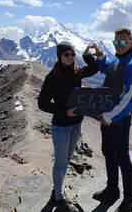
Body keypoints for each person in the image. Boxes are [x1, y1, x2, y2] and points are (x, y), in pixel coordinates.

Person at [38, 41, 99, 212]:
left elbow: (94, 69)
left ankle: (57, 189)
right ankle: (59, 199)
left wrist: (87, 56)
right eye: (66, 54)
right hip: (61, 127)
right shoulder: (52, 77)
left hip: (76, 125)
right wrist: (65, 112)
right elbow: (42, 103)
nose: (70, 57)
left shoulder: (76, 72)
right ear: (59, 56)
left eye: (72, 54)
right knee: (60, 162)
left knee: (66, 161)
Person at [91, 28, 132, 212]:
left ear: (131, 43)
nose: (119, 45)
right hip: (107, 118)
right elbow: (107, 67)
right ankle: (112, 189)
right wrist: (99, 56)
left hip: (118, 120)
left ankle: (129, 197)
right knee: (108, 153)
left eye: (123, 42)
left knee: (122, 158)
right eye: (116, 42)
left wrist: (109, 116)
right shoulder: (118, 61)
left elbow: (130, 99)